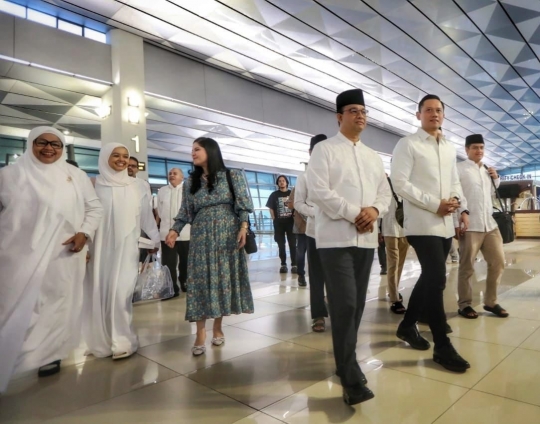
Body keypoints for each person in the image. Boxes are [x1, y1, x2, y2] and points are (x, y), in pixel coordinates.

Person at [0, 127, 103, 392]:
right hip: (19, 253)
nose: (49, 148)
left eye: (56, 144)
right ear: (30, 144)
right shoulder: (10, 175)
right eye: (42, 142)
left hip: (64, 252)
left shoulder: (75, 175)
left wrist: (85, 233)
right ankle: (16, 350)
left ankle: (50, 354)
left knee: (59, 302)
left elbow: (94, 207)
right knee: (19, 301)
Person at [307, 89, 391, 405]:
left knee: (356, 305)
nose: (360, 116)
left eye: (363, 111)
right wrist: (355, 212)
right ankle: (350, 374)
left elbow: (384, 192)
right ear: (339, 116)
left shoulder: (372, 156)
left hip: (367, 239)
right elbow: (318, 191)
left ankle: (346, 360)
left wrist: (375, 211)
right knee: (344, 304)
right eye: (353, 111)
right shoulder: (325, 151)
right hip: (335, 240)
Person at [391, 94, 470, 373]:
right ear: (418, 115)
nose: (434, 114)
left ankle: (406, 326)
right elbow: (399, 183)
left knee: (432, 277)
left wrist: (460, 206)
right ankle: (442, 345)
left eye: (438, 110)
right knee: (436, 277)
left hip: (446, 223)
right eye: (428, 110)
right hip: (422, 223)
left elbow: (455, 181)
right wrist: (433, 203)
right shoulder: (408, 144)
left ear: (444, 115)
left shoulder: (448, 147)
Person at [165, 137, 254, 357]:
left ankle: (217, 327)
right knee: (201, 281)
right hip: (201, 237)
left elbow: (243, 205)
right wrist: (175, 230)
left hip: (227, 236)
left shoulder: (233, 176)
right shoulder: (190, 183)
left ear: (210, 151)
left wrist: (243, 228)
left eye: (197, 149)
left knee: (220, 280)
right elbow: (186, 211)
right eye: (192, 149)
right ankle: (200, 333)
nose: (193, 153)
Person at [83, 143, 160, 360]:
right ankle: (101, 340)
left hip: (127, 248)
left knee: (120, 294)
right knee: (99, 291)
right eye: (115, 155)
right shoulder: (93, 184)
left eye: (125, 156)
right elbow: (85, 215)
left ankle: (123, 341)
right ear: (105, 157)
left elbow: (146, 216)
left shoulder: (138, 186)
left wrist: (155, 238)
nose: (121, 160)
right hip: (98, 247)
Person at [455, 134, 508, 319]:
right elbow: (456, 194)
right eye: (475, 147)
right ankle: (464, 304)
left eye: (482, 148)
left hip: (490, 224)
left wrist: (496, 178)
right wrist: (460, 217)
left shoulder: (487, 170)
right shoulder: (459, 169)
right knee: (467, 266)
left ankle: (491, 302)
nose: (479, 151)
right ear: (467, 150)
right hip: (470, 225)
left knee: (499, 261)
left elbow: (490, 194)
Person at [294, 134, 329, 332]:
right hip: (315, 231)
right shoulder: (304, 177)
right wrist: (317, 213)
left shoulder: (336, 173)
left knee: (335, 274)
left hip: (337, 233)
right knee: (316, 275)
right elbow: (298, 203)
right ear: (310, 152)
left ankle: (334, 306)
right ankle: (318, 314)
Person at [156, 168, 191, 296]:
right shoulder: (163, 191)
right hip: (166, 233)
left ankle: (185, 282)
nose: (171, 175)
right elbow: (160, 211)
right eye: (170, 173)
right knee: (168, 263)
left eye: (175, 173)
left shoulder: (188, 190)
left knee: (186, 262)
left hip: (186, 233)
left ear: (182, 177)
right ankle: (171, 289)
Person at [382, 175, 409, 314]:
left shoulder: (408, 183)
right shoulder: (385, 182)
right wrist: (378, 229)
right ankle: (394, 299)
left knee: (400, 263)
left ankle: (394, 290)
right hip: (390, 227)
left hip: (405, 228)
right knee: (393, 262)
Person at [266, 175, 297, 273]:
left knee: (293, 244)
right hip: (279, 223)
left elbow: (297, 205)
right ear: (278, 183)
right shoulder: (274, 195)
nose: (282, 182)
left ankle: (294, 265)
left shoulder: (292, 193)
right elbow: (270, 207)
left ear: (287, 182)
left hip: (291, 223)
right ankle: (283, 264)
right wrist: (274, 218)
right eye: (280, 181)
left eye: (283, 181)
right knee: (281, 245)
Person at [287, 187, 307, 286]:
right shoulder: (297, 188)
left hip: (318, 227)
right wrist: (300, 206)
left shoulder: (320, 184)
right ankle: (301, 275)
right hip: (301, 226)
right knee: (301, 253)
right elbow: (289, 204)